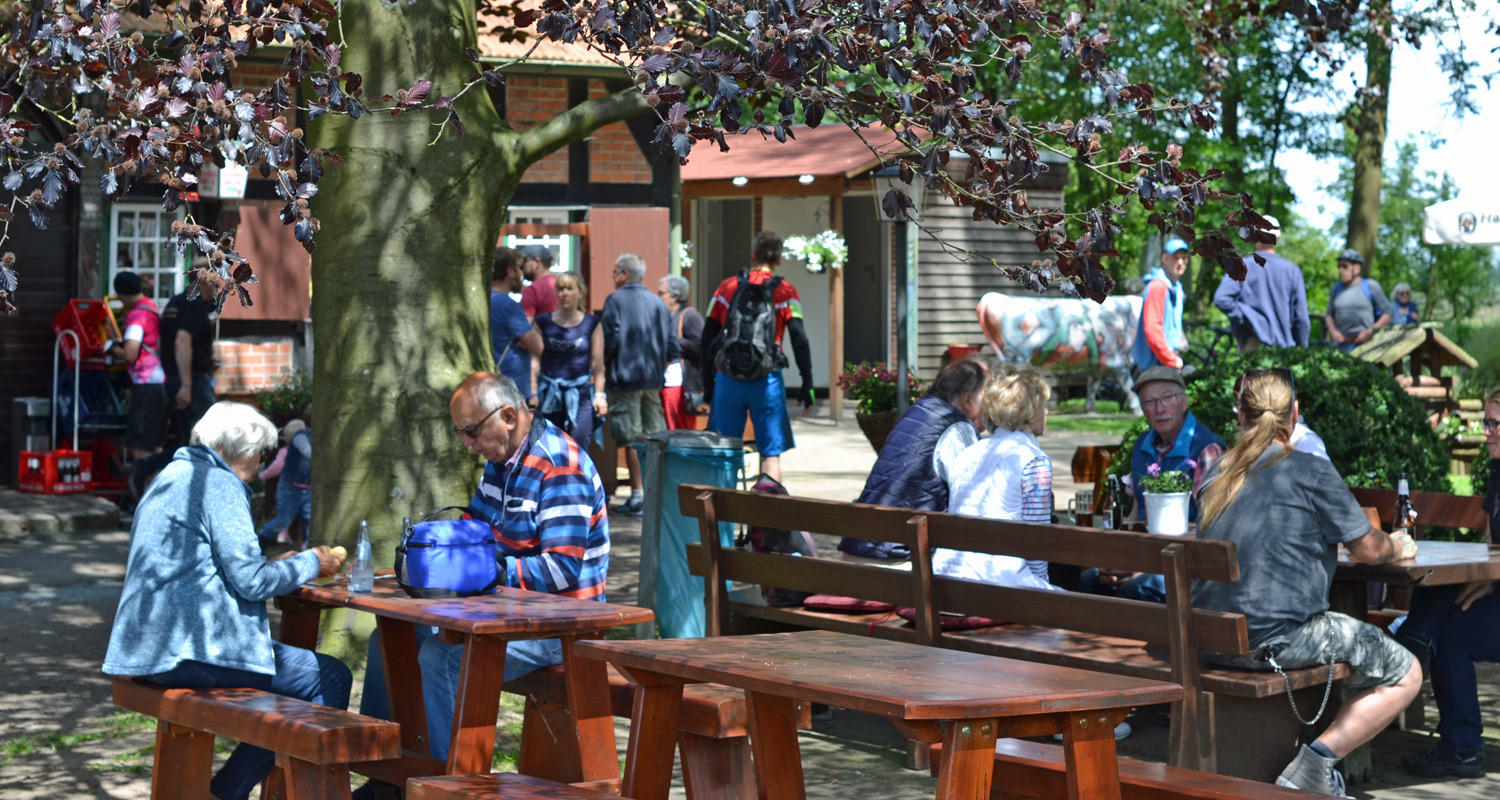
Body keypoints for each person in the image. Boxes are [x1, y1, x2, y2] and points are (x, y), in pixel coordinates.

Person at [359, 372, 609, 775]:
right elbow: (475, 529)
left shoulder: (560, 465)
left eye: (471, 431)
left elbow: (562, 570)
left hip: (559, 626)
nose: (466, 444)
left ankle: (450, 786)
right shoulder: (502, 460)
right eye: (460, 432)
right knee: (388, 639)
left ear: (508, 416)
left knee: (442, 659)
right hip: (507, 614)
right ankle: (383, 777)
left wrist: (489, 572)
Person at [1192, 368, 1420, 795]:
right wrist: (1398, 546)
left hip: (1211, 639)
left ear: (1240, 415)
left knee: (1353, 642)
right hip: (1278, 643)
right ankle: (1314, 763)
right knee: (1407, 672)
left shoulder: (1219, 472)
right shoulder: (1311, 470)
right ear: (1294, 414)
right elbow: (1370, 551)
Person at [102, 402, 345, 800]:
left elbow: (209, 564)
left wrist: (281, 564)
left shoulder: (169, 476)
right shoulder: (220, 483)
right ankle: (228, 792)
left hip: (145, 651)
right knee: (330, 676)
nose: (260, 463)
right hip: (189, 652)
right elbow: (251, 582)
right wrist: (311, 561)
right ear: (244, 451)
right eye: (262, 454)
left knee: (297, 684)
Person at [1396, 386, 1500, 779]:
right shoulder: (1497, 473)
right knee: (1440, 598)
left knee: (1450, 633)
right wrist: (1488, 581)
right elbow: (1494, 544)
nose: (1486, 431)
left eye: (1495, 423)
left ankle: (1463, 748)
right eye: (1485, 422)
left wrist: (1490, 582)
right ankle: (1412, 643)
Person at [1085, 366, 1226, 602]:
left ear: (1184, 401)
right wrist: (1118, 559)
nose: (1159, 409)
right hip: (1143, 555)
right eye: (1150, 402)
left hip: (1185, 563)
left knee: (1135, 591)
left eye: (1167, 398)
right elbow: (1135, 512)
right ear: (1142, 409)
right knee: (1091, 581)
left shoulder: (1206, 449)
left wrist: (1144, 569)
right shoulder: (1143, 445)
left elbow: (1211, 528)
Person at [839, 357, 988, 560]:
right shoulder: (958, 428)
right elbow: (971, 504)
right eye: (986, 397)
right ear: (968, 400)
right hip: (894, 559)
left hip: (859, 547)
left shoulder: (917, 411)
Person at [701, 231, 816, 484]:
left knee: (724, 453)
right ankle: (765, 521)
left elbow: (706, 339)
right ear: (779, 259)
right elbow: (800, 339)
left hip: (728, 381)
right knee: (770, 456)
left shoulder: (727, 287)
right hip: (767, 381)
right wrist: (807, 383)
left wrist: (708, 390)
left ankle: (721, 522)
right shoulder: (786, 291)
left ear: (753, 256)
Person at [938, 365, 1062, 592]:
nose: (1047, 413)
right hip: (997, 586)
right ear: (1030, 411)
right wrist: (1043, 593)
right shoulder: (1033, 460)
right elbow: (1037, 542)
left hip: (947, 579)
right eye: (1043, 406)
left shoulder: (968, 453)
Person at [601, 253, 678, 516]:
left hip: (626, 379)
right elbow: (672, 346)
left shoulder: (615, 300)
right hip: (653, 380)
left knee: (632, 439)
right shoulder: (658, 303)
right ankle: (657, 494)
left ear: (624, 273)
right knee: (655, 438)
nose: (612, 278)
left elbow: (609, 340)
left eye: (614, 272)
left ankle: (638, 495)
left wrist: (602, 363)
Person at [131, 284, 219, 484]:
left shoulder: (174, 302)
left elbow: (163, 344)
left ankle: (149, 470)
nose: (218, 289)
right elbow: (181, 341)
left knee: (190, 441)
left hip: (174, 379)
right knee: (204, 442)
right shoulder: (195, 306)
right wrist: (186, 384)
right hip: (191, 382)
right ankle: (145, 468)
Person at [1212, 215, 1311, 351]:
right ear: (1276, 238)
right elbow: (1301, 319)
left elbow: (1221, 298)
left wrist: (1246, 317)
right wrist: (1302, 349)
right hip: (1284, 348)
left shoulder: (1242, 266)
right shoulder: (1292, 271)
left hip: (1252, 344)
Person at [533, 271, 607, 450]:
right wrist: (533, 392)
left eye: (570, 289)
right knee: (549, 448)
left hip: (580, 394)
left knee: (578, 446)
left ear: (580, 292)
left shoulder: (592, 323)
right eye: (560, 289)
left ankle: (578, 479)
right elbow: (534, 361)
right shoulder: (542, 322)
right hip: (548, 395)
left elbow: (598, 365)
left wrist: (599, 395)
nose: (564, 293)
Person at [107, 271, 167, 464]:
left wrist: (110, 348)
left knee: (139, 447)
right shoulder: (152, 308)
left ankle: (149, 490)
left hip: (147, 383)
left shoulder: (137, 315)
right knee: (154, 445)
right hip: (160, 383)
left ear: (122, 295)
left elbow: (130, 353)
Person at [490, 246, 544, 401]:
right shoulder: (508, 305)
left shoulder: (481, 302)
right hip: (512, 391)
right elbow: (539, 346)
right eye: (520, 268)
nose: (522, 274)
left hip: (487, 388)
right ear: (510, 271)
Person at [1133, 238, 1190, 372]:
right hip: (1155, 365)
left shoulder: (1176, 287)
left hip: (1165, 361)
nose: (1180, 262)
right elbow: (1152, 330)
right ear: (1165, 259)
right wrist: (1171, 359)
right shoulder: (1158, 287)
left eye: (1184, 258)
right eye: (1175, 258)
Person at [657, 274, 706, 429]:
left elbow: (701, 347)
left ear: (676, 296)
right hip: (665, 381)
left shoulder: (690, 315)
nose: (658, 297)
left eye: (661, 293)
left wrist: (673, 341)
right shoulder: (666, 316)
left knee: (680, 431)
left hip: (679, 385)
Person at [257, 418, 312, 547]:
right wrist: (262, 475)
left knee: (308, 519)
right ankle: (261, 540)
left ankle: (307, 546)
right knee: (284, 519)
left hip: (306, 488)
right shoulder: (289, 449)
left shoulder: (303, 442)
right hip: (290, 489)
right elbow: (276, 467)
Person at [1324, 248, 1392, 352]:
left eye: (1345, 266)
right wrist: (1334, 332)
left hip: (1366, 346)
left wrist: (1370, 331)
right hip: (1340, 345)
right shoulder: (1336, 288)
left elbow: (1389, 313)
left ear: (1357, 268)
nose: (1341, 270)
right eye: (1339, 266)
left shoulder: (1370, 286)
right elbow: (1329, 314)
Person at [519, 244, 559, 322]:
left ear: (537, 261)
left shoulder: (532, 290)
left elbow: (524, 326)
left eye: (524, 261)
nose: (522, 266)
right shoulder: (562, 285)